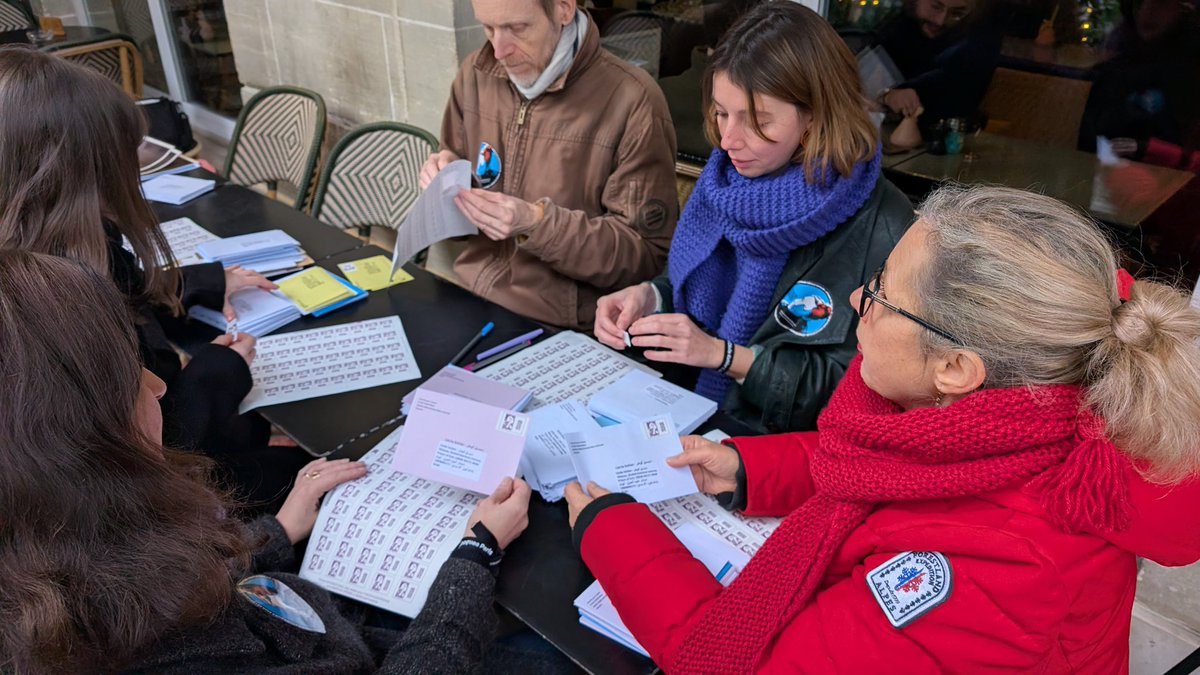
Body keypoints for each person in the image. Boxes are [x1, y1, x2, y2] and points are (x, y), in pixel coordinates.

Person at [566, 185, 1200, 672]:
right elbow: (891, 471)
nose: (855, 302)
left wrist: (616, 535)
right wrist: (748, 467)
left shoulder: (996, 569)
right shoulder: (1028, 415)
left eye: (881, 293)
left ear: (955, 368)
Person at [0, 250, 541, 673]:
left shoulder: (57, 554)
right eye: (124, 376)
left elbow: (166, 595)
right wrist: (475, 555)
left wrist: (276, 532)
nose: (159, 383)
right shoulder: (184, 651)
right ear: (69, 436)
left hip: (305, 619)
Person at [0, 45, 304, 511]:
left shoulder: (52, 252)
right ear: (82, 173)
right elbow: (143, 453)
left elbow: (128, 282)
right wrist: (215, 374)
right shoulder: (54, 318)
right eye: (125, 157)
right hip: (162, 493)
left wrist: (206, 281)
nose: (137, 172)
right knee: (296, 473)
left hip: (170, 467)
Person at [595, 2, 913, 433]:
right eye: (722, 113)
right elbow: (706, 288)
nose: (727, 140)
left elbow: (866, 386)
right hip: (693, 416)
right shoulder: (724, 184)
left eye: (758, 121)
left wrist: (726, 357)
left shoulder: (888, 226)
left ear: (815, 116)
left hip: (785, 451)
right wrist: (651, 297)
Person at [420, 0, 680, 330]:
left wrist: (536, 223)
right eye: (488, 28)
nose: (499, 50)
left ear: (563, 9)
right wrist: (446, 190)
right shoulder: (475, 74)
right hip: (473, 297)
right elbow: (458, 234)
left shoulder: (632, 100)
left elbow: (642, 256)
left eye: (517, 28)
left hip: (565, 326)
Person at [1078, 0, 1200, 172]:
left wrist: (1148, 150)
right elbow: (1088, 142)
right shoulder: (1113, 71)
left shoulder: (1191, 72)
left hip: (1174, 185)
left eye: (1160, 4)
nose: (1147, 12)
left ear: (1183, 10)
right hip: (1106, 178)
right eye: (1139, 3)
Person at [873, 0, 1001, 125]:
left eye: (957, 13)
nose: (940, 21)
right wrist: (886, 95)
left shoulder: (976, 43)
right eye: (935, 7)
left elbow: (952, 79)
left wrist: (901, 93)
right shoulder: (895, 26)